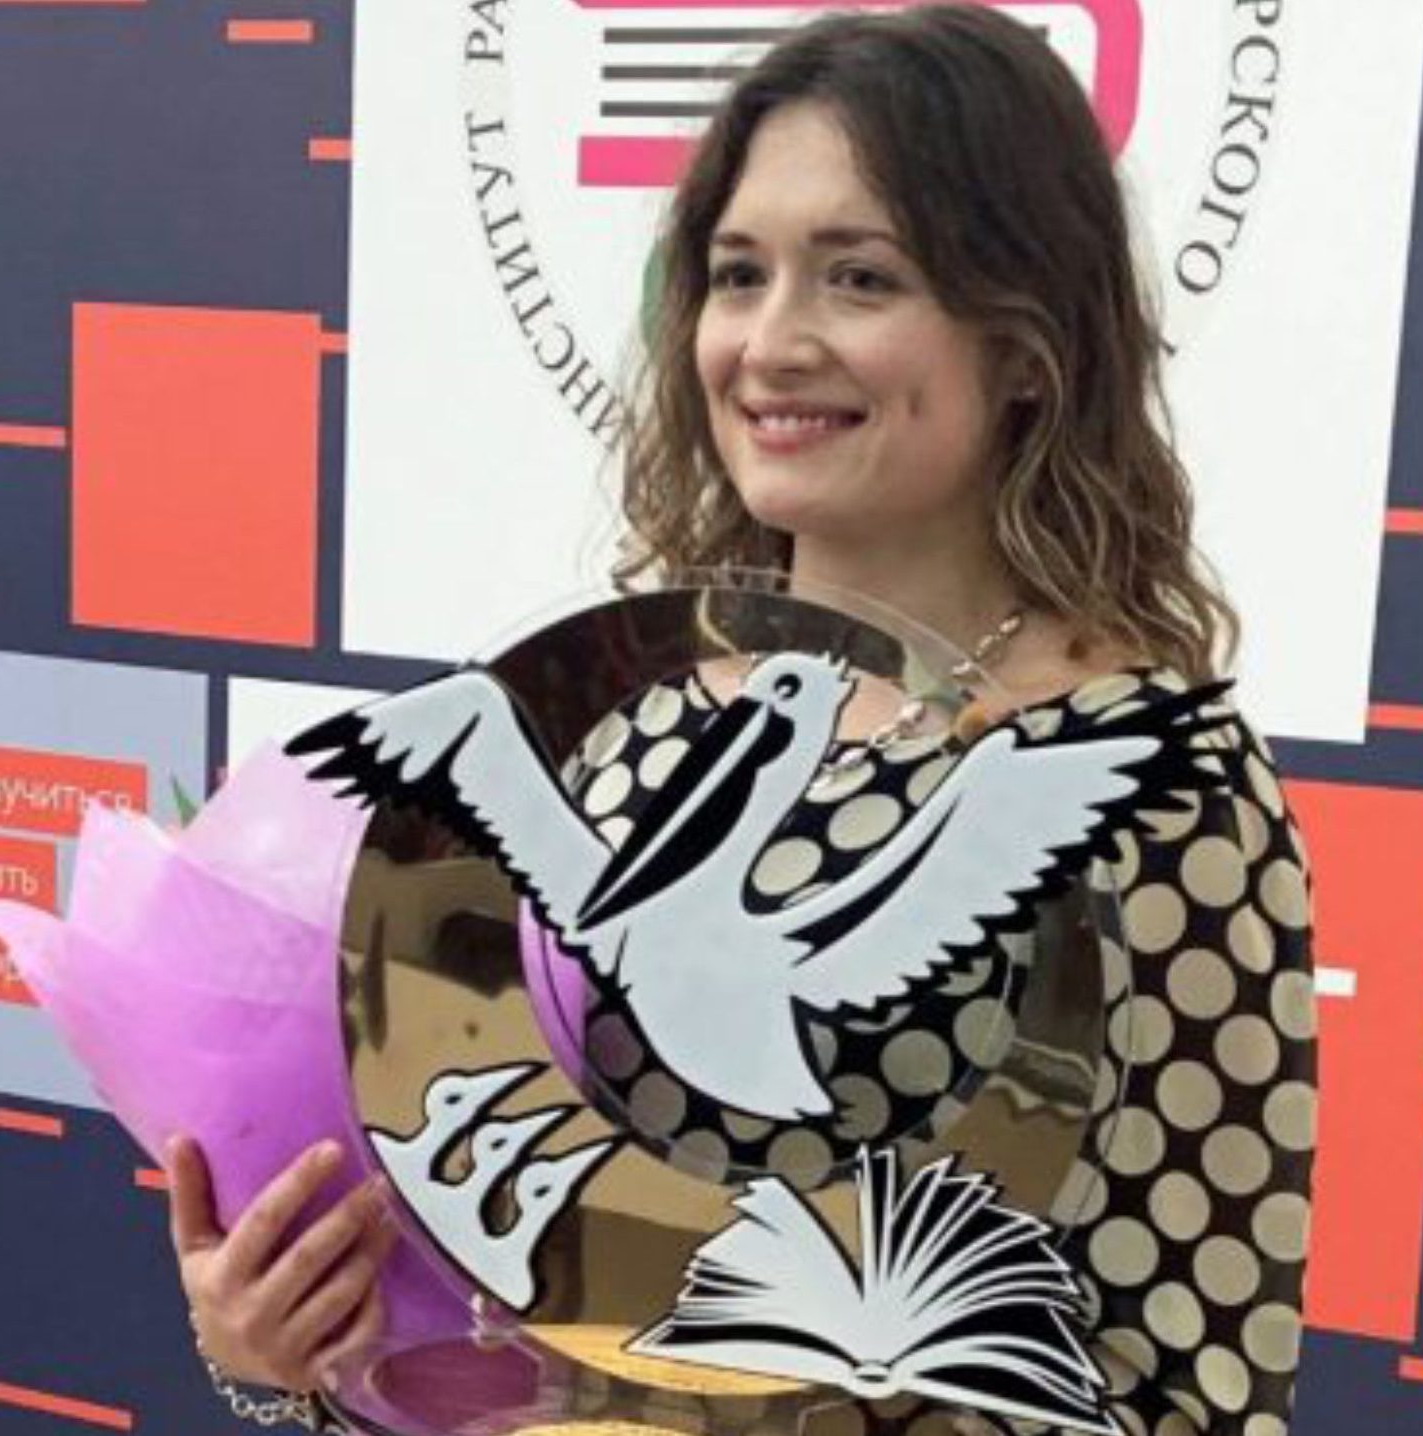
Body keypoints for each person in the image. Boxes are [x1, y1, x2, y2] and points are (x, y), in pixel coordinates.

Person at [168, 6, 1316, 1433]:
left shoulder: (1152, 779)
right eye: (736, 275)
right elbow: (491, 1269)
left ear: (1028, 343)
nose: (771, 343)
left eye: (861, 277)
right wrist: (289, 1353)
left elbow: (1199, 1365)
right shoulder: (616, 712)